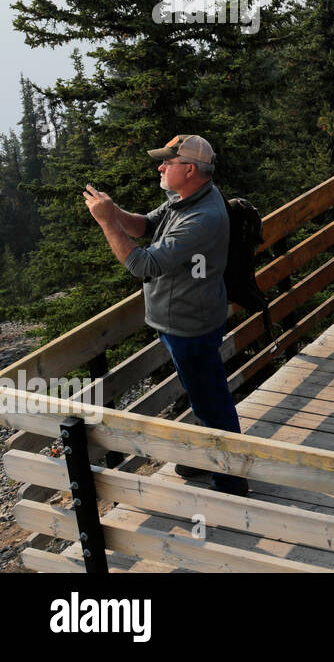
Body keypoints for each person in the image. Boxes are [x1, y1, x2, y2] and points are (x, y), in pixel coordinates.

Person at [83, 134, 249, 496]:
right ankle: (208, 457)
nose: (160, 167)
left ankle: (231, 482)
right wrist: (114, 212)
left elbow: (144, 265)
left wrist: (105, 223)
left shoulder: (202, 216)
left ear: (189, 169)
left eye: (167, 163)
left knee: (212, 402)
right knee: (201, 394)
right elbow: (144, 226)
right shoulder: (187, 197)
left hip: (190, 327)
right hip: (184, 320)